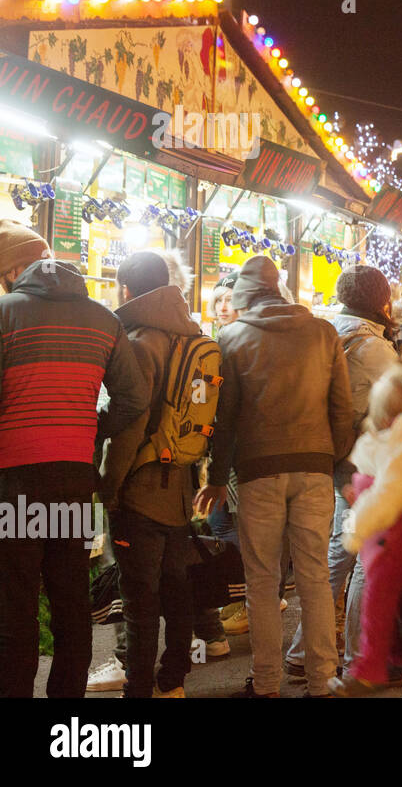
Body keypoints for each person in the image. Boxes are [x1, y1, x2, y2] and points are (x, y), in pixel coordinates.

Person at [0, 221, 149, 697]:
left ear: (14, 270)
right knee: (69, 595)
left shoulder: (4, 314)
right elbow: (133, 398)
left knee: (15, 600)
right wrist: (90, 428)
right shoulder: (104, 318)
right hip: (72, 479)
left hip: (15, 481)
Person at [197, 255, 353, 698]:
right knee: (314, 578)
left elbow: (224, 420)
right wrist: (330, 457)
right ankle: (322, 681)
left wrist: (216, 476)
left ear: (245, 296)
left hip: (257, 472)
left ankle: (266, 684)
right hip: (315, 469)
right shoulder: (324, 333)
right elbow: (342, 410)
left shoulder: (231, 337)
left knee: (262, 581)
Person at [95, 252, 213, 698]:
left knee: (140, 598)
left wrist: (109, 485)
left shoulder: (141, 341)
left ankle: (139, 688)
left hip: (142, 488)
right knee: (175, 587)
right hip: (180, 485)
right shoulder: (191, 335)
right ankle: (173, 680)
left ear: (126, 290)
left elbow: (131, 423)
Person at [285, 265, 399, 680]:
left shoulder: (319, 329)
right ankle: (359, 659)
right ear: (381, 301)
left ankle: (304, 651)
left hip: (323, 455)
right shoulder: (374, 347)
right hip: (362, 461)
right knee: (368, 555)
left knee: (338, 551)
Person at [330, 361, 402, 696]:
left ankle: (370, 669)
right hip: (384, 535)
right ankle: (400, 657)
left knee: (378, 602)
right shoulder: (401, 436)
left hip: (389, 536)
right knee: (395, 604)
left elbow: (391, 491)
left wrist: (356, 526)